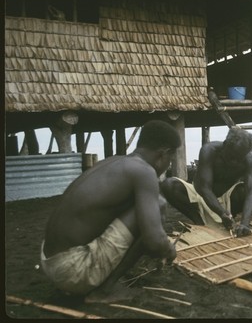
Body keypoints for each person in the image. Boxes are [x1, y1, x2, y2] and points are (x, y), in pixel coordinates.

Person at [40, 120, 181, 303]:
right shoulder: (144, 172)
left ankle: (93, 282)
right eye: (171, 159)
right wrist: (169, 250)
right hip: (72, 271)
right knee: (158, 205)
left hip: (49, 260)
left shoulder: (115, 162)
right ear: (163, 153)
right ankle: (105, 291)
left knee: (148, 208)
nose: (169, 165)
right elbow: (154, 241)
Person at [161, 128, 252, 237]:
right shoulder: (209, 150)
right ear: (225, 144)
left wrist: (245, 224)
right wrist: (221, 212)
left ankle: (230, 218)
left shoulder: (251, 160)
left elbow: (251, 194)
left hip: (227, 201)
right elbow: (204, 188)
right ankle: (199, 221)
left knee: (244, 191)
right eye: (231, 157)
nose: (234, 162)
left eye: (239, 159)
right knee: (169, 185)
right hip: (200, 197)